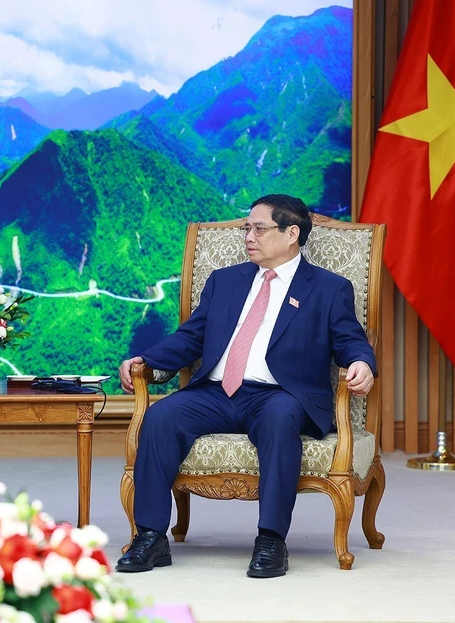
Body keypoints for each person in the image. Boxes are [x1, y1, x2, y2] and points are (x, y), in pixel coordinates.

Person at [116, 194, 376, 578]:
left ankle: (271, 540)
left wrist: (361, 362)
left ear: (291, 233)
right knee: (160, 417)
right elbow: (191, 338)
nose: (248, 237)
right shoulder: (226, 281)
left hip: (280, 395)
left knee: (278, 420)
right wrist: (146, 360)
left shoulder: (327, 288)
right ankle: (151, 537)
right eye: (246, 229)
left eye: (259, 228)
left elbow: (350, 339)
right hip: (216, 392)